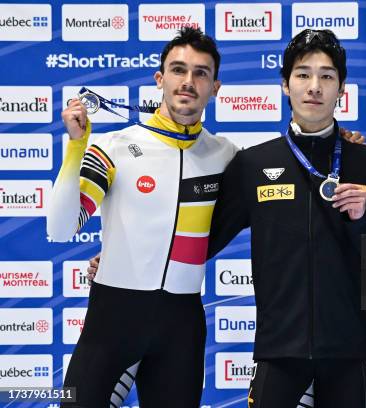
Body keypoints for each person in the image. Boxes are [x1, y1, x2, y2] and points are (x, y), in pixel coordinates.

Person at [206, 29, 366, 407]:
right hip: (279, 351)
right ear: (285, 85)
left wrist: (360, 219)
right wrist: (125, 259)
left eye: (327, 76)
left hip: (349, 352)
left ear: (341, 89)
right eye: (303, 74)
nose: (315, 86)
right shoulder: (253, 164)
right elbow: (205, 238)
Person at [47, 27, 237, 407]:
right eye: (178, 70)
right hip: (113, 316)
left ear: (215, 87)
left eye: (201, 73)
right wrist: (76, 147)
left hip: (182, 324)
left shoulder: (226, 155)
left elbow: (281, 191)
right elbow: (61, 227)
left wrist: (342, 152)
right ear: (159, 79)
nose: (188, 81)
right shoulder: (113, 146)